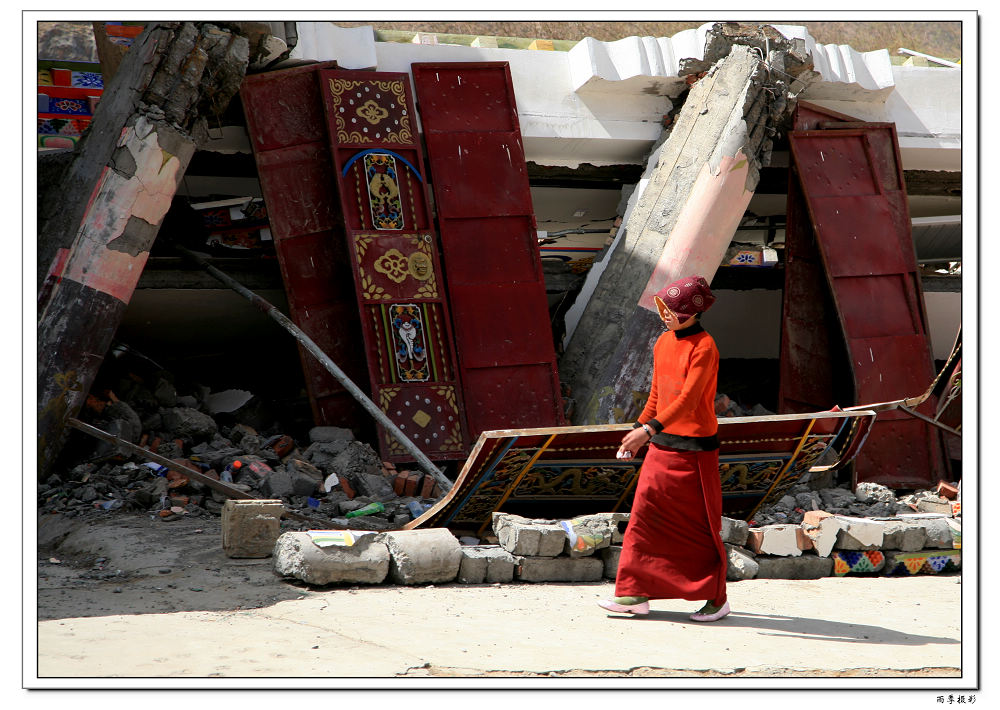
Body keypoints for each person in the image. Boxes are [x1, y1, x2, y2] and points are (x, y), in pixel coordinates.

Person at [598, 275, 730, 622]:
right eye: (663, 309)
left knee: (700, 526)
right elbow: (657, 394)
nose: (664, 315)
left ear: (690, 312)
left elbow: (689, 400)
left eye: (670, 310)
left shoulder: (705, 347)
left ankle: (716, 599)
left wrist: (647, 431)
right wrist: (637, 431)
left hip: (695, 451)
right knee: (643, 519)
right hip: (662, 445)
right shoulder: (663, 342)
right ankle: (633, 594)